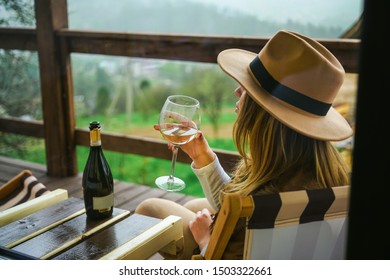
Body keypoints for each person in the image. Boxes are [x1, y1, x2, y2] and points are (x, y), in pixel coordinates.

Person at [135, 30, 353, 260]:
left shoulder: (263, 200)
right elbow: (234, 206)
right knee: (193, 206)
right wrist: (203, 157)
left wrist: (205, 241)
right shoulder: (325, 173)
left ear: (263, 111)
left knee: (149, 209)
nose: (236, 91)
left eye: (248, 89)